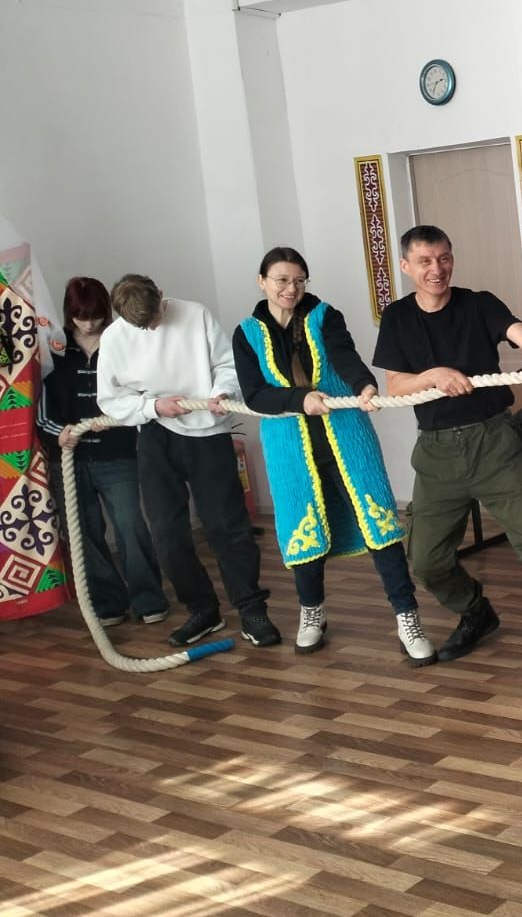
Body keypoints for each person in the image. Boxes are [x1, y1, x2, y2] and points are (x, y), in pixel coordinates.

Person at [371, 225, 522, 686]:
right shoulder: (398, 318)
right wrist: (435, 375)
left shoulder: (479, 304)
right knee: (426, 559)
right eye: (425, 261)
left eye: (444, 258)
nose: (437, 269)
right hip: (437, 452)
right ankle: (475, 612)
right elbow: (396, 386)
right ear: (406, 266)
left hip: (495, 443)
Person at [232, 248, 437, 665]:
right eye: (281, 280)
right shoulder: (246, 333)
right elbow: (255, 394)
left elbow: (344, 355)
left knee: (381, 523)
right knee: (301, 527)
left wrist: (364, 385)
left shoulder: (325, 316)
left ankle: (407, 617)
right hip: (289, 445)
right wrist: (299, 399)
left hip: (345, 435)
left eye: (299, 280)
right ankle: (312, 613)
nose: (291, 289)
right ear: (262, 281)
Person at [97, 275, 280, 648]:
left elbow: (227, 365)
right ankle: (202, 609)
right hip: (155, 434)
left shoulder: (195, 314)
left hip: (208, 433)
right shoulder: (114, 338)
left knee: (228, 527)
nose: (151, 328)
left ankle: (251, 609)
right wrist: (153, 406)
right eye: (141, 326)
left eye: (154, 319)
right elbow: (111, 398)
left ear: (161, 296)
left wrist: (221, 392)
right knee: (166, 533)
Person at [39, 276, 169, 627]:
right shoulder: (54, 347)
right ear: (69, 313)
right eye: (80, 317)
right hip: (69, 458)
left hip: (118, 454)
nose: (88, 324)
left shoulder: (122, 340)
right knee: (84, 533)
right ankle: (108, 603)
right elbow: (39, 401)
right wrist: (58, 433)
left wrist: (118, 417)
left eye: (95, 316)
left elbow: (144, 391)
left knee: (131, 526)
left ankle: (148, 600)